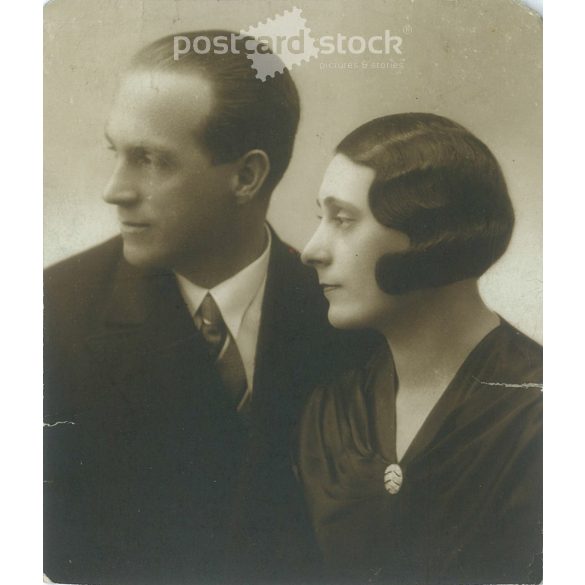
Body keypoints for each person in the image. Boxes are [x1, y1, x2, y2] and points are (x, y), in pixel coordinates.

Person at [43, 31, 378, 585]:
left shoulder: (353, 320)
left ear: (246, 176)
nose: (114, 190)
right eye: (116, 152)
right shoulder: (48, 316)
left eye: (150, 159)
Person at [297, 113, 542, 584]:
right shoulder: (331, 413)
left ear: (431, 236)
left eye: (343, 219)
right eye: (320, 218)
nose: (312, 249)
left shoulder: (543, 410)